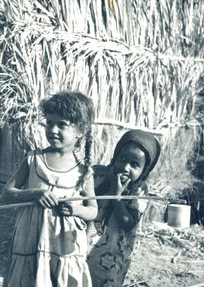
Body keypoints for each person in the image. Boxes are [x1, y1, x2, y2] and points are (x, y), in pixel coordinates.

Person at [1, 91, 98, 287]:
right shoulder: (33, 160)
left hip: (64, 247)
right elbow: (7, 195)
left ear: (80, 131)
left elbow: (92, 210)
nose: (53, 129)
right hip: (30, 241)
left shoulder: (84, 171)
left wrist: (75, 209)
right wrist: (34, 194)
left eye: (61, 124)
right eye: (49, 123)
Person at [87, 129, 161, 287]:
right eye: (123, 158)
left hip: (112, 257)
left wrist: (117, 197)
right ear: (115, 157)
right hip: (85, 247)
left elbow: (127, 223)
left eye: (135, 165)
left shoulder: (139, 191)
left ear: (144, 171)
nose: (126, 167)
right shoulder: (97, 174)